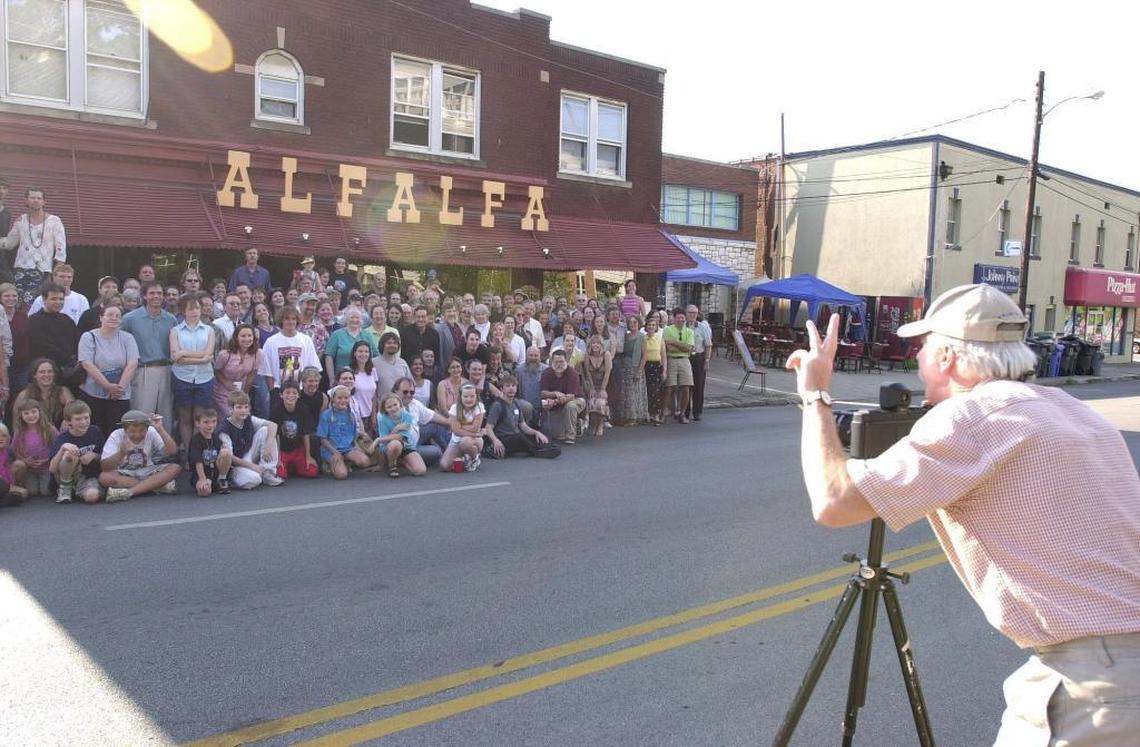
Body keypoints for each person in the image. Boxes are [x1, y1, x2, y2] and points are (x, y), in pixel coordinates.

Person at [785, 283, 1140, 746]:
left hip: (1093, 685)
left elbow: (833, 501)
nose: (917, 359)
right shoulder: (1077, 413)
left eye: (923, 347)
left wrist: (815, 395)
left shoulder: (972, 417)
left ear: (948, 357)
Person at [77, 304, 139, 438]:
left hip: (120, 394)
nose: (114, 318)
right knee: (95, 431)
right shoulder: (88, 337)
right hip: (94, 393)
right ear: (101, 317)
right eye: (110, 315)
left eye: (117, 316)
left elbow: (132, 363)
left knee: (117, 432)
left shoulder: (127, 338)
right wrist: (107, 386)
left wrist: (119, 389)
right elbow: (87, 364)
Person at [121, 282, 177, 428]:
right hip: (143, 370)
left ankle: (165, 450)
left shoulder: (171, 319)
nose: (156, 296)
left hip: (167, 369)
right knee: (142, 414)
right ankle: (139, 449)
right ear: (144, 296)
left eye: (159, 293)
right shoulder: (130, 319)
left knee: (166, 415)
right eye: (152, 293)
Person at [0, 188, 67, 306]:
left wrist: (57, 270)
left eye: (39, 198)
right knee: (19, 304)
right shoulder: (21, 220)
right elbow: (10, 243)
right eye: (32, 197)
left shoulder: (54, 221)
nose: (35, 201)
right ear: (26, 200)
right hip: (21, 270)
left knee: (38, 304)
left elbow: (61, 248)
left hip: (43, 270)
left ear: (44, 202)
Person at [98, 410, 181, 502]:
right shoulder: (116, 435)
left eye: (142, 431)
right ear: (125, 430)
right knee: (104, 477)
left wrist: (160, 429)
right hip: (125, 473)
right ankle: (156, 486)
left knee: (175, 468)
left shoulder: (152, 431)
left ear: (147, 428)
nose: (137, 435)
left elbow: (172, 451)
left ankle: (129, 492)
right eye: (132, 431)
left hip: (148, 471)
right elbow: (105, 467)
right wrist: (121, 453)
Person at [169, 294, 217, 452]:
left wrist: (185, 354)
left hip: (205, 378)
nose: (195, 311)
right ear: (183, 311)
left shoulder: (209, 330)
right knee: (185, 418)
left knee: (200, 417)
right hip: (182, 377)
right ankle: (189, 452)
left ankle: (198, 451)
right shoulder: (175, 331)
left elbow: (209, 354)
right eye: (191, 308)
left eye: (197, 307)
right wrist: (201, 358)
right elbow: (175, 357)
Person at [218, 390, 283, 489]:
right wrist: (252, 466)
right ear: (231, 409)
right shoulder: (224, 429)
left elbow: (273, 425)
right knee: (254, 480)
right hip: (235, 463)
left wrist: (268, 446)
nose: (243, 410)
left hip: (248, 453)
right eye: (239, 407)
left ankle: (268, 471)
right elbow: (230, 457)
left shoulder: (249, 419)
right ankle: (233, 478)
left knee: (266, 430)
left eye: (246, 407)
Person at [48, 400, 106, 504]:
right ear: (68, 421)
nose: (83, 422)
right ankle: (65, 488)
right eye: (78, 419)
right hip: (66, 476)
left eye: (86, 418)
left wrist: (93, 455)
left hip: (88, 476)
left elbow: (104, 456)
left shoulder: (95, 431)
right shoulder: (62, 438)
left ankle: (77, 491)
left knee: (92, 497)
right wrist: (62, 449)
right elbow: (52, 469)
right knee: (70, 453)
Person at [483, 375, 553, 459]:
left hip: (516, 436)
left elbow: (523, 426)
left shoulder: (516, 404)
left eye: (513, 386)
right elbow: (488, 427)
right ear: (501, 389)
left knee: (539, 435)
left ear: (516, 388)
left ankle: (546, 447)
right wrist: (495, 441)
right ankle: (538, 452)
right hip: (504, 438)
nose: (511, 388)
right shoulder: (497, 405)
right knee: (520, 437)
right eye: (507, 386)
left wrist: (536, 433)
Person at [259, 307, 321, 393]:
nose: (290, 322)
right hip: (278, 389)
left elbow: (313, 367)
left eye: (293, 319)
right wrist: (272, 391)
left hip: (301, 390)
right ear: (281, 321)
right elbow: (267, 370)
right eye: (287, 319)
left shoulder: (306, 340)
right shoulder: (271, 342)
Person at [317, 385, 371, 479]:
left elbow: (353, 437)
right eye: (339, 398)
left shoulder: (351, 415)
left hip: (347, 448)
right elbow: (323, 439)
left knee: (365, 461)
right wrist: (335, 452)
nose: (343, 400)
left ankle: (346, 460)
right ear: (333, 399)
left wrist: (357, 448)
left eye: (346, 398)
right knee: (342, 475)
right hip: (331, 449)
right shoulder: (326, 415)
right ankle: (329, 463)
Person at [213, 323, 263, 418]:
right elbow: (217, 371)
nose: (247, 339)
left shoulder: (258, 354)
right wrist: (227, 383)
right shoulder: (225, 354)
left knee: (244, 416)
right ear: (236, 337)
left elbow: (252, 374)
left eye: (249, 336)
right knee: (231, 416)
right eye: (243, 336)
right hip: (223, 390)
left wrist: (244, 394)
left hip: (241, 390)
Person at [270, 381, 319, 479]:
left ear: (298, 395)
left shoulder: (303, 409)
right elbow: (277, 435)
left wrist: (308, 456)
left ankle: (294, 466)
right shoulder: (276, 409)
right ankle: (288, 466)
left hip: (297, 449)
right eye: (287, 393)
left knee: (312, 471)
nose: (290, 395)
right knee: (280, 474)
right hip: (283, 450)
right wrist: (278, 458)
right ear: (281, 395)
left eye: (294, 393)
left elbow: (306, 434)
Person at [11, 398, 57, 498]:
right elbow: (13, 451)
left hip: (47, 467)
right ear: (21, 416)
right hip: (30, 469)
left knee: (46, 491)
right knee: (32, 492)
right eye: (26, 413)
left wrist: (47, 459)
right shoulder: (19, 432)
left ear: (39, 412)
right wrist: (24, 460)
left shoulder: (49, 429)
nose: (31, 415)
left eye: (33, 412)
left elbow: (58, 446)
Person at [27, 283, 78, 373]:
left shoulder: (67, 320)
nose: (58, 302)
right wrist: (67, 359)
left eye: (61, 299)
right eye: (54, 299)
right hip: (45, 370)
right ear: (44, 299)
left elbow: (76, 342)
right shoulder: (34, 320)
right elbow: (43, 347)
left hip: (68, 370)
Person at [375, 393, 426, 478]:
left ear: (400, 404)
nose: (393, 408)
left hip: (406, 445)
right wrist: (396, 429)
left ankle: (401, 460)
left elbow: (402, 437)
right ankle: (392, 467)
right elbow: (385, 440)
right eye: (389, 407)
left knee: (420, 471)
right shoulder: (382, 419)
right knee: (396, 444)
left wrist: (382, 438)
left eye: (395, 405)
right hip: (389, 447)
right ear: (385, 409)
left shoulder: (407, 416)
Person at [540, 349, 584, 444]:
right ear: (551, 361)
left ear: (566, 361)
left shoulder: (572, 373)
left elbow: (571, 396)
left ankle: (570, 436)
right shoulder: (546, 373)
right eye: (556, 362)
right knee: (557, 436)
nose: (559, 364)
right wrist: (554, 394)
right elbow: (543, 393)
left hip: (576, 400)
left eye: (561, 361)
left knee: (570, 406)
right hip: (558, 403)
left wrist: (555, 401)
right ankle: (576, 423)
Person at [15, 358, 74, 428]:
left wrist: (67, 420)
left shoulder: (63, 392)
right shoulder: (24, 395)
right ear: (34, 375)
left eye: (50, 371)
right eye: (42, 372)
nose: (46, 375)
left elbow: (74, 412)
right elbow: (16, 422)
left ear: (54, 374)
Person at [188, 407, 232, 496]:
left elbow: (222, 458)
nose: (210, 425)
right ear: (197, 423)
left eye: (213, 421)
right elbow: (198, 461)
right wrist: (202, 478)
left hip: (216, 473)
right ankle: (207, 484)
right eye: (206, 422)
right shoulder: (196, 440)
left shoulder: (217, 439)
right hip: (202, 474)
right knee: (204, 492)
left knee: (226, 452)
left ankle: (222, 480)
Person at [661, 308, 695, 423]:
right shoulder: (668, 330)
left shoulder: (689, 331)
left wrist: (674, 342)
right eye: (678, 317)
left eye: (682, 317)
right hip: (671, 359)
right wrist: (683, 347)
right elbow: (668, 347)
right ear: (674, 319)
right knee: (669, 388)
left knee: (686, 387)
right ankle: (664, 413)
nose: (681, 320)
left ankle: (682, 413)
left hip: (685, 360)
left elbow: (689, 348)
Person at [442, 383, 484, 473]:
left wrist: (460, 426)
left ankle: (475, 457)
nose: (469, 399)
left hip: (474, 440)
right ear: (460, 396)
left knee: (465, 442)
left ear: (476, 396)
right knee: (444, 466)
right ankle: (465, 458)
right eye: (466, 396)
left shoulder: (479, 406)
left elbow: (475, 427)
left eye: (472, 396)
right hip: (457, 440)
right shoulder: (454, 408)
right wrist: (473, 432)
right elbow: (456, 431)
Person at [325, 307, 376, 382]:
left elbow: (375, 355)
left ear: (361, 320)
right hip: (343, 379)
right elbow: (328, 357)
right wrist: (332, 379)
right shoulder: (337, 335)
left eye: (357, 318)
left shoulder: (367, 335)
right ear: (346, 319)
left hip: (364, 378)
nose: (354, 320)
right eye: (352, 317)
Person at [614, 315, 649, 426]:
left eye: (635, 322)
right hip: (625, 367)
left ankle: (634, 417)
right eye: (631, 322)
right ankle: (626, 416)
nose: (633, 324)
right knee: (626, 392)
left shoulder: (642, 337)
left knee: (634, 392)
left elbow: (645, 356)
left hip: (635, 366)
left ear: (638, 323)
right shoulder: (626, 336)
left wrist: (639, 371)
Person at [685, 304, 713, 422]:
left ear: (697, 314)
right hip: (685, 357)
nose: (692, 315)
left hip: (698, 358)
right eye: (690, 312)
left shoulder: (702, 327)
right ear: (686, 313)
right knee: (685, 385)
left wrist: (706, 360)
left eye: (695, 313)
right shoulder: (682, 326)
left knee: (698, 385)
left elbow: (708, 345)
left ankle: (697, 412)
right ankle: (685, 411)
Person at [579, 335, 611, 437]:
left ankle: (600, 424)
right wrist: (591, 388)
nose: (595, 345)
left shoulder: (606, 354)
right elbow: (587, 373)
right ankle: (593, 424)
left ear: (601, 345)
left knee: (600, 402)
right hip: (592, 384)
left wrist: (603, 389)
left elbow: (607, 373)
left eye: (597, 343)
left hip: (605, 384)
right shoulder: (587, 355)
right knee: (592, 401)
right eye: (593, 343)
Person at [373, 332, 411, 405]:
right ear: (382, 345)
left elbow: (410, 386)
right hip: (383, 407)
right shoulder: (374, 363)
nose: (392, 345)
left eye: (395, 343)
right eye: (389, 343)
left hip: (401, 407)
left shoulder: (402, 362)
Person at [643, 314, 667, 426]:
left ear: (656, 326)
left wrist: (664, 370)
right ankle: (647, 413)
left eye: (654, 325)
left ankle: (656, 414)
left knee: (656, 391)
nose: (651, 327)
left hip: (657, 366)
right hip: (645, 366)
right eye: (649, 325)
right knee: (646, 390)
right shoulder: (642, 338)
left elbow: (664, 355)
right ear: (646, 326)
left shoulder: (659, 338)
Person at [0, 423, 27, 506]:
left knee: (24, 494)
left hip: (4, 484)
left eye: (3, 436)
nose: (1, 438)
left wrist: (11, 484)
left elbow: (6, 471)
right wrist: (9, 487)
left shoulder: (7, 451)